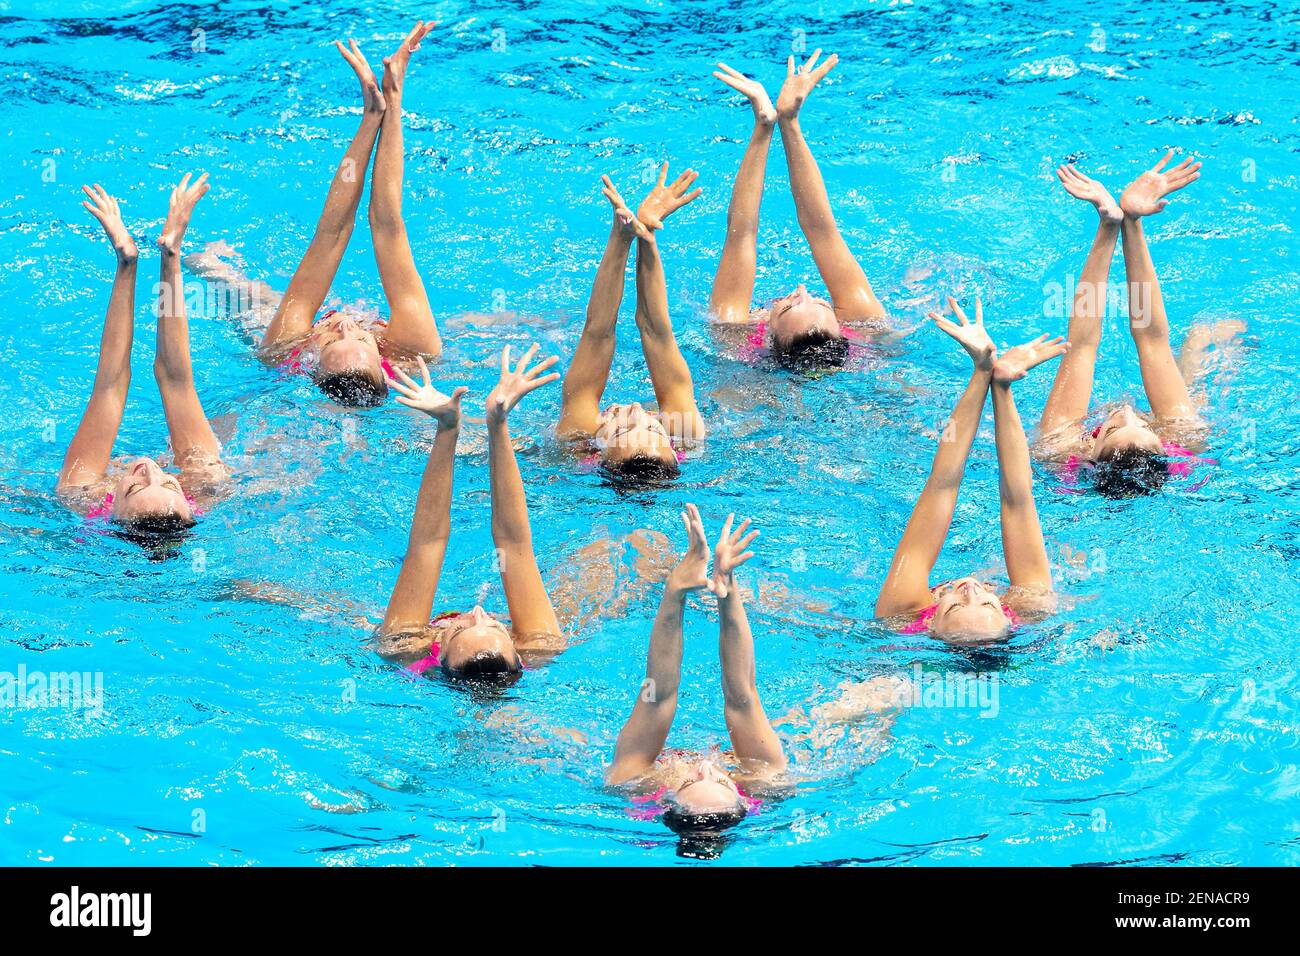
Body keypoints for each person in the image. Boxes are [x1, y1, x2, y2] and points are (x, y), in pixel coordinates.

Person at [186, 21, 443, 407]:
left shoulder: (289, 348)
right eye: (357, 337)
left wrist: (369, 117)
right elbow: (388, 224)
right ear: (383, 356)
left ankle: (209, 266)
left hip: (278, 347)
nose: (343, 325)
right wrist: (393, 95)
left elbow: (331, 234)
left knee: (245, 300)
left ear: (310, 361)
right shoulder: (415, 350)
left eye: (333, 338)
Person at [1037, 154, 1245, 497]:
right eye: (1141, 424)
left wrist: (1109, 225)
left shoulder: (1059, 449)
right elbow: (1151, 339)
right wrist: (1132, 222)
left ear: (1088, 450)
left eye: (1113, 426)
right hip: (1179, 426)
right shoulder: (1183, 437)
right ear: (1167, 448)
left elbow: (1082, 346)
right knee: (1210, 334)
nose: (1127, 411)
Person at [875, 298, 1065, 643]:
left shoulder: (901, 611)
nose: (971, 589)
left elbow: (942, 485)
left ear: (931, 623)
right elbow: (1018, 498)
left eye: (955, 606)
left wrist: (980, 372)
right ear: (1007, 613)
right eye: (989, 604)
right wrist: (1002, 386)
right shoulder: (1031, 606)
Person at [376, 344, 566, 684]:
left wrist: (447, 429)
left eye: (462, 628)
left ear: (438, 654)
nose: (478, 613)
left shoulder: (404, 644)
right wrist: (497, 422)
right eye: (493, 625)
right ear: (517, 650)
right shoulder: (539, 645)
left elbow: (427, 542)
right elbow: (513, 543)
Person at [57, 176, 227, 545]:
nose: (147, 467)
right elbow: (176, 379)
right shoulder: (206, 485)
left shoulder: (79, 493)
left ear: (110, 509)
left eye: (134, 487)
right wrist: (171, 256)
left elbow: (110, 386)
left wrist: (127, 263)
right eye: (168, 482)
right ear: (189, 501)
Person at [605, 505, 783, 839]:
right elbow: (742, 696)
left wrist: (675, 590)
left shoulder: (633, 783)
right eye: (718, 780)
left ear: (664, 800)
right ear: (745, 798)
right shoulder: (764, 778)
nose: (704, 767)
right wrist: (727, 589)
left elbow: (658, 696)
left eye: (689, 781)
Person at [708, 52, 888, 368]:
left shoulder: (731, 335)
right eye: (824, 302)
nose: (801, 289)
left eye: (790, 306)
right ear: (845, 333)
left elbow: (741, 235)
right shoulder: (867, 325)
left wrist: (764, 125)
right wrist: (789, 122)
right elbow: (822, 231)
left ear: (764, 337)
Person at [555, 167, 706, 484]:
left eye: (623, 426)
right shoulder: (686, 436)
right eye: (653, 425)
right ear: (673, 444)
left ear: (596, 450)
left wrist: (621, 236)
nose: (637, 408)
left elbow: (598, 332)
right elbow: (657, 332)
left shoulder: (578, 440)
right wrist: (647, 239)